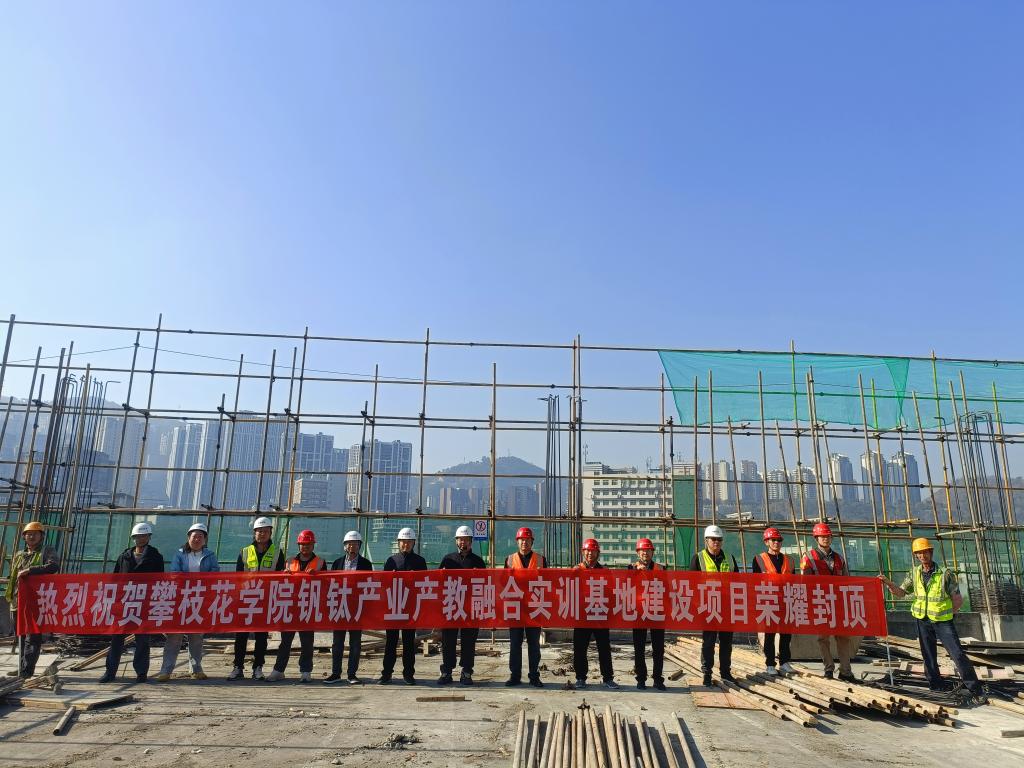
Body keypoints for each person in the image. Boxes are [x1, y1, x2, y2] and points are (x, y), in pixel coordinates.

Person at [880, 537, 987, 704]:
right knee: (928, 655)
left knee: (957, 654)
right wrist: (888, 583)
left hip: (943, 621)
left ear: (931, 552)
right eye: (919, 553)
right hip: (922, 619)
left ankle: (975, 689)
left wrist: (949, 614)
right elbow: (901, 592)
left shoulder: (945, 574)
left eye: (925, 552)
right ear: (916, 555)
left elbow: (957, 599)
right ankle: (936, 686)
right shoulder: (914, 573)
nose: (922, 556)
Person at [100, 522, 164, 683]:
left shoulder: (155, 556)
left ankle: (141, 672)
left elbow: (160, 580)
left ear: (148, 537)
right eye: (138, 536)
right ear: (133, 538)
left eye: (144, 536)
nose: (140, 539)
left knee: (142, 640)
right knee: (117, 639)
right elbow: (115, 578)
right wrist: (113, 600)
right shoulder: (125, 556)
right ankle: (110, 672)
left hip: (144, 604)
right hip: (124, 603)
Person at [156, 522, 219, 682]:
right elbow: (175, 574)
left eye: (200, 536)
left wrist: (199, 584)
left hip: (200, 599)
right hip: (181, 599)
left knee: (196, 636)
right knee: (174, 636)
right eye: (194, 536)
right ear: (188, 538)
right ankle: (166, 670)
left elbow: (214, 573)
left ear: (205, 539)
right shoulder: (179, 554)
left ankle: (196, 669)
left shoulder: (210, 555)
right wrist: (193, 582)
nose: (197, 539)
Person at [229, 516, 285, 681]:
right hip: (246, 598)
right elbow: (238, 576)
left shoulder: (277, 552)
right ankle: (238, 667)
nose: (262, 534)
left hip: (265, 599)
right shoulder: (245, 551)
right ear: (254, 533)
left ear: (270, 533)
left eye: (265, 531)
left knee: (261, 636)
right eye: (259, 531)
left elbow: (280, 576)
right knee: (241, 635)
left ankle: (258, 667)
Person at [266, 529, 325, 683]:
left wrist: (317, 576)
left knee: (307, 642)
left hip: (308, 606)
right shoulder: (290, 561)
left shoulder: (320, 562)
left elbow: (326, 584)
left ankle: (306, 671)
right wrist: (284, 574)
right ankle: (279, 670)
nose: (305, 547)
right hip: (290, 606)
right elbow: (281, 583)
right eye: (303, 544)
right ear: (298, 545)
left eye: (308, 544)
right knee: (285, 641)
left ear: (313, 545)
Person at [800, 522, 854, 682]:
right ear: (816, 538)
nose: (825, 539)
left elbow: (847, 581)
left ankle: (845, 671)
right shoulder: (809, 557)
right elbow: (805, 581)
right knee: (823, 638)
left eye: (828, 536)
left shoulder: (839, 558)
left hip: (838, 603)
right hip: (820, 602)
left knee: (843, 637)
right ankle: (829, 669)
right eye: (822, 536)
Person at [5, 521, 60, 678]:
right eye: (28, 534)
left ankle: (27, 671)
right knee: (21, 636)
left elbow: (53, 566)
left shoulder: (46, 551)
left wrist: (30, 570)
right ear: (24, 537)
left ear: (41, 536)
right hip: (17, 602)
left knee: (32, 637)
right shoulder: (19, 555)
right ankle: (22, 667)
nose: (31, 536)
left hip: (36, 602)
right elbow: (13, 576)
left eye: (35, 534)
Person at [689, 524, 739, 687]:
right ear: (706, 540)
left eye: (719, 539)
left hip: (726, 607)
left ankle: (725, 672)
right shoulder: (698, 558)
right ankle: (707, 673)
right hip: (708, 607)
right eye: (713, 539)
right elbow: (691, 583)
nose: (716, 542)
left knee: (726, 642)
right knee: (708, 642)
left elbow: (738, 582)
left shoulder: (729, 558)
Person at [438, 525, 486, 685]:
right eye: (460, 539)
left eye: (466, 540)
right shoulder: (448, 559)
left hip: (470, 608)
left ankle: (466, 672)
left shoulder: (478, 561)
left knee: (469, 641)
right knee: (448, 641)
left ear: (471, 541)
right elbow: (438, 581)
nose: (463, 542)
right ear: (456, 541)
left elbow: (485, 584)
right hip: (451, 606)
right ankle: (447, 671)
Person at [379, 527, 427, 685]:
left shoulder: (420, 561)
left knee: (408, 643)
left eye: (409, 542)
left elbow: (424, 583)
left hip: (410, 608)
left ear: (413, 543)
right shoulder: (391, 561)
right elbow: (384, 584)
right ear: (398, 543)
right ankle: (386, 674)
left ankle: (408, 674)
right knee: (391, 643)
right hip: (393, 607)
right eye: (403, 542)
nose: (405, 545)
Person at [324, 529, 373, 684]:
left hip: (357, 607)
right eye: (349, 544)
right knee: (337, 642)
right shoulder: (337, 563)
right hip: (340, 606)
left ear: (360, 546)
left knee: (355, 643)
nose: (352, 546)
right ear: (345, 546)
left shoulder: (365, 564)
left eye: (355, 544)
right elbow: (331, 584)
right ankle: (335, 673)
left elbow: (369, 585)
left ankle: (352, 674)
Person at [572, 538, 619, 690]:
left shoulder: (604, 571)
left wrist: (610, 612)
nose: (590, 553)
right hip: (582, 615)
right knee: (580, 648)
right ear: (583, 552)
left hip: (600, 614)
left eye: (593, 551)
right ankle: (580, 678)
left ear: (598, 553)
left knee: (604, 648)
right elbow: (568, 590)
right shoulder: (576, 570)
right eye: (587, 551)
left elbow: (611, 592)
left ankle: (608, 678)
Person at [504, 526, 547, 688]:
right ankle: (515, 675)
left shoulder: (541, 560)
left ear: (532, 542)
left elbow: (549, 582)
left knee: (534, 644)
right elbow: (503, 582)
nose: (524, 543)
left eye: (527, 540)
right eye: (522, 540)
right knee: (515, 643)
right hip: (515, 607)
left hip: (534, 608)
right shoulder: (509, 560)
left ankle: (534, 676)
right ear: (517, 542)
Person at [751, 526, 794, 676]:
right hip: (768, 601)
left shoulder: (789, 560)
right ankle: (770, 664)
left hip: (785, 600)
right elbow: (755, 582)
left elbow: (793, 581)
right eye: (773, 540)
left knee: (786, 633)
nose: (776, 542)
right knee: (769, 634)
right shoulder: (759, 559)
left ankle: (784, 662)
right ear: (766, 542)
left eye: (779, 540)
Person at [632, 537, 666, 691]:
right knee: (639, 647)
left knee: (658, 648)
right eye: (642, 550)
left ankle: (658, 679)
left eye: (648, 550)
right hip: (639, 612)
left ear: (653, 552)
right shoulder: (631, 568)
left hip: (657, 611)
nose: (645, 553)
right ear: (637, 553)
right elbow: (625, 586)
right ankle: (641, 678)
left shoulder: (661, 569)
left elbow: (667, 588)